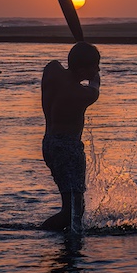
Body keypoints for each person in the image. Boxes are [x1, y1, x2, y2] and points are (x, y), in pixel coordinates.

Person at [41, 42, 101, 233]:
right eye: (95, 66)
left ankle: (68, 242)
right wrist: (93, 77)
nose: (98, 69)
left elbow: (56, 64)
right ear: (83, 69)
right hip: (67, 148)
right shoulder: (80, 94)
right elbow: (95, 88)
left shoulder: (51, 72)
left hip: (49, 143)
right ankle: (42, 236)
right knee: (72, 211)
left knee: (72, 208)